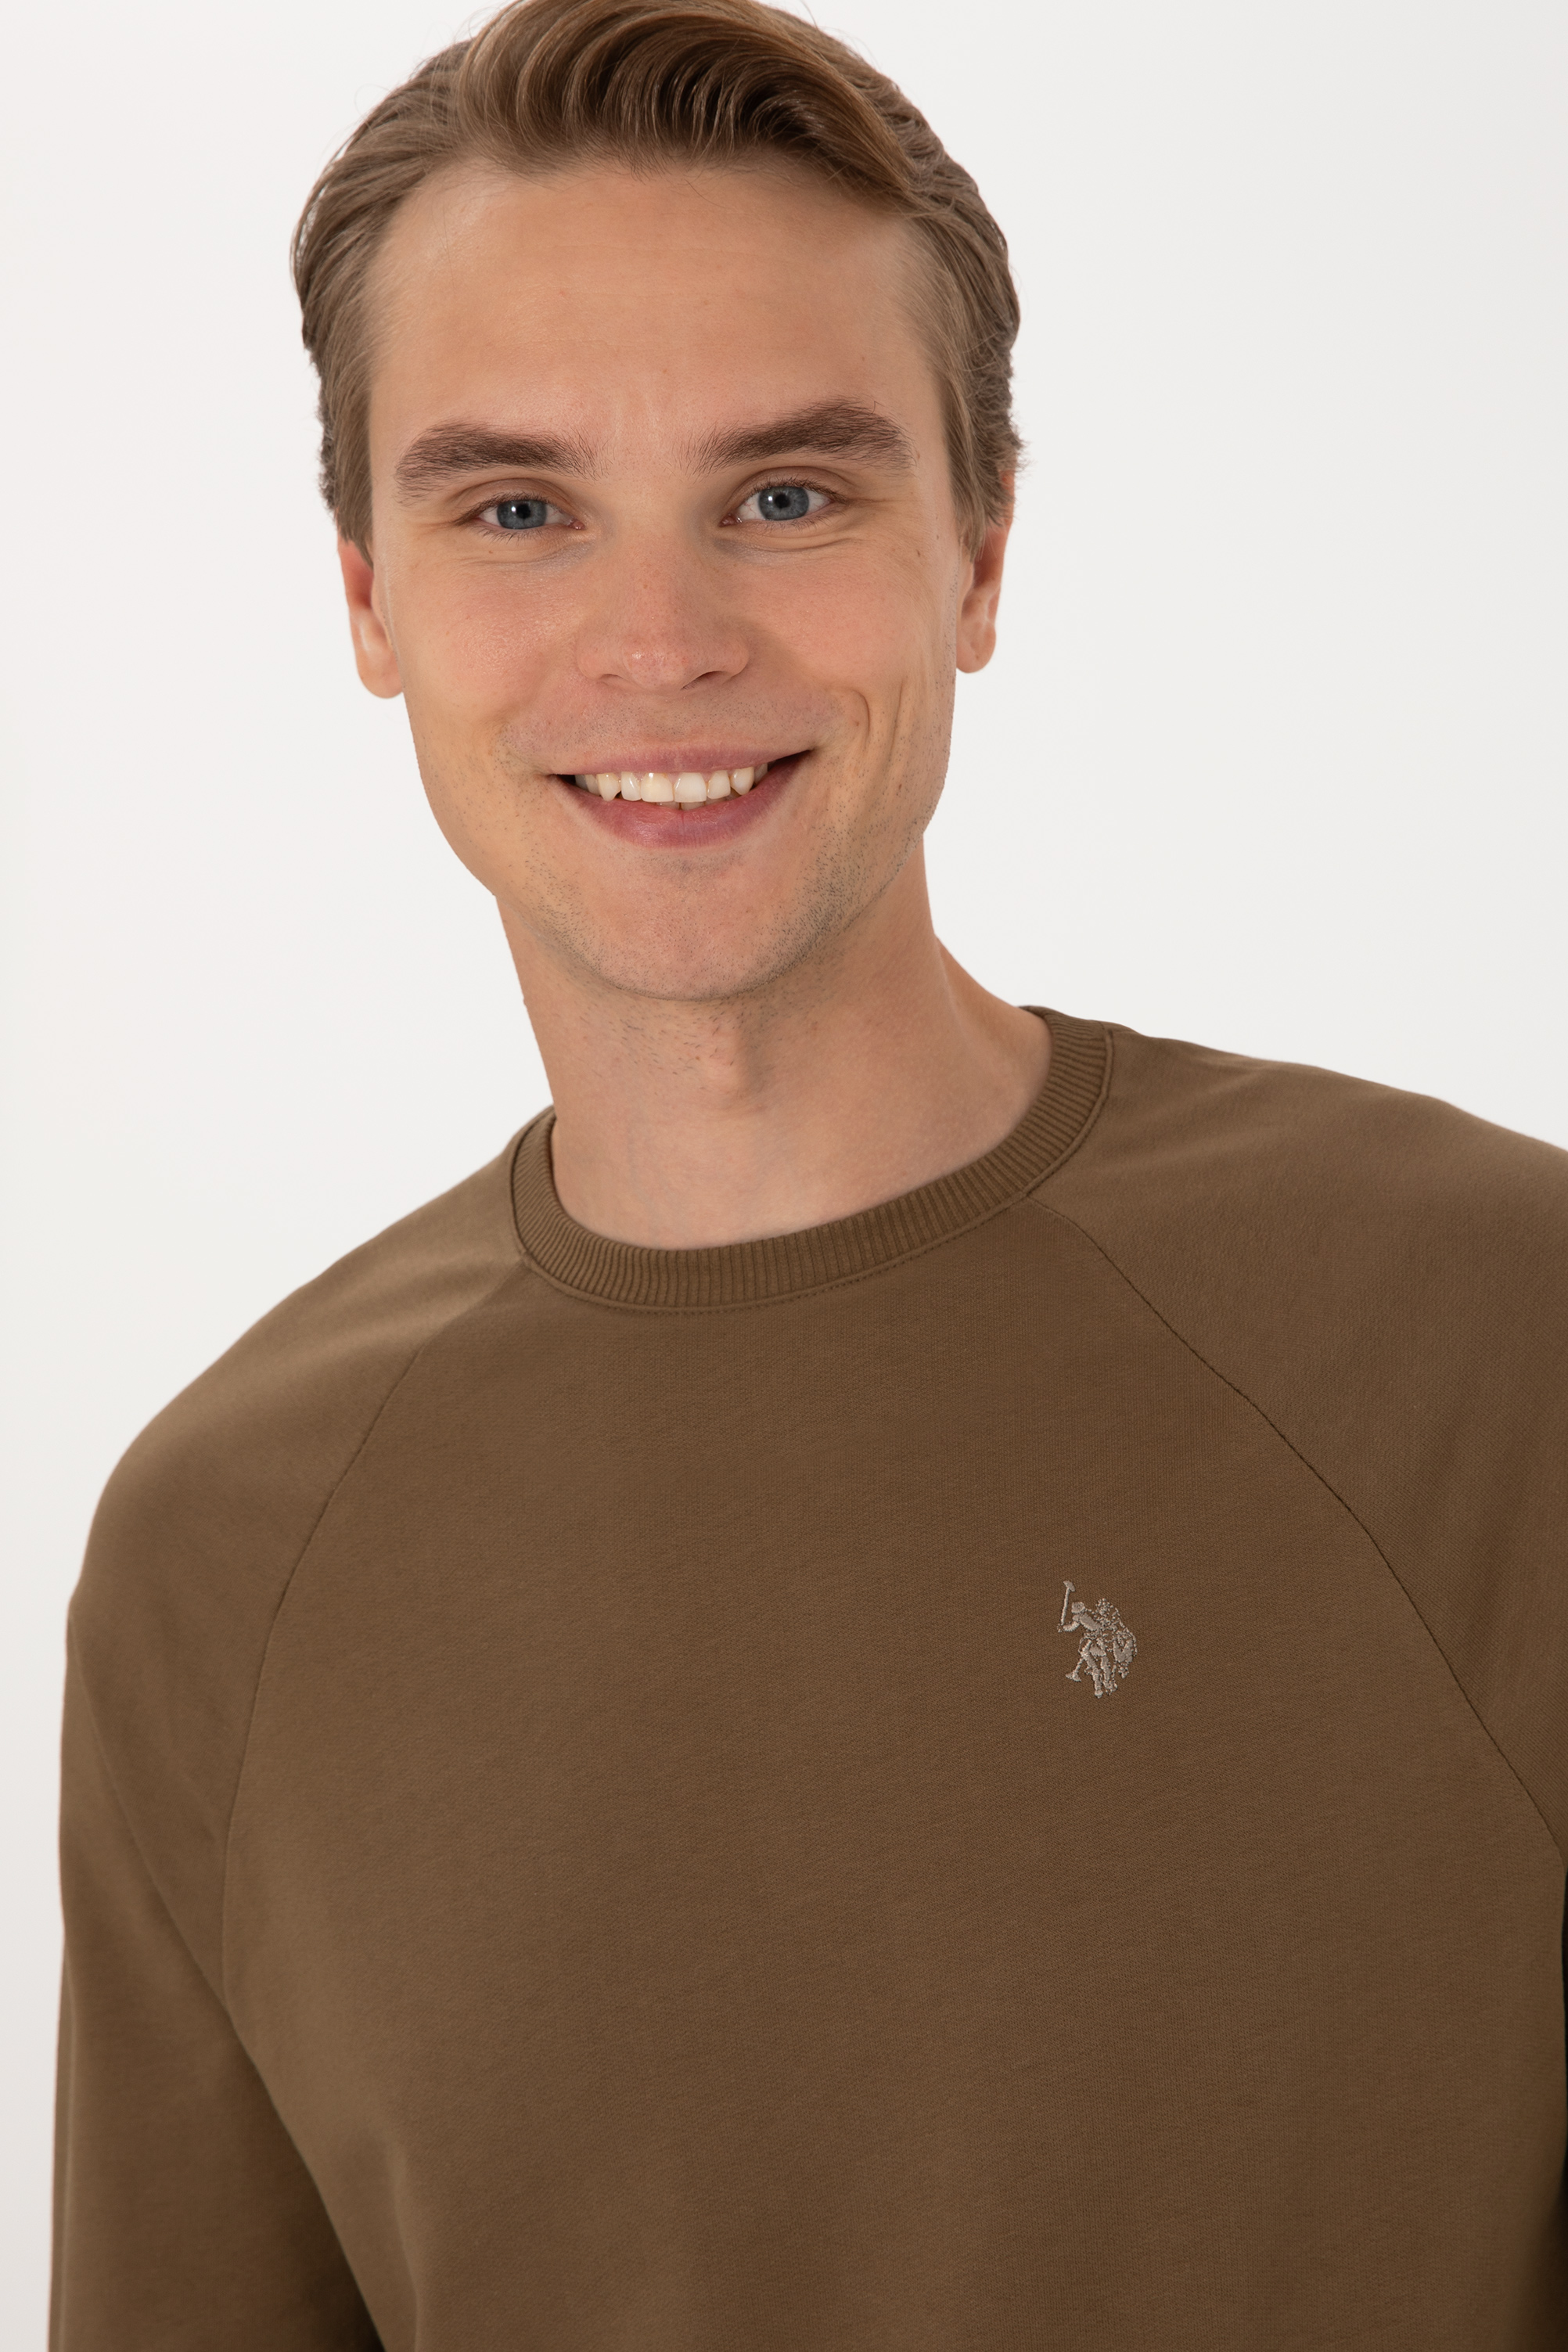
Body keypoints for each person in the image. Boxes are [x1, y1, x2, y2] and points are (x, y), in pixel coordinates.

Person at [49, 0, 1568, 2343]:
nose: (659, 644)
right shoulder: (216, 1558)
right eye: (518, 508)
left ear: (978, 553)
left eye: (786, 494)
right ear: (367, 597)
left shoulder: (1496, 1342)